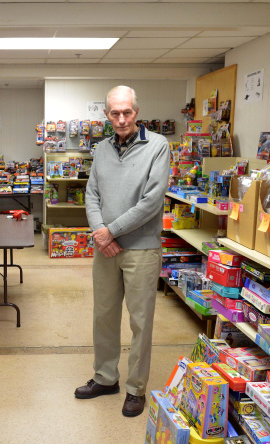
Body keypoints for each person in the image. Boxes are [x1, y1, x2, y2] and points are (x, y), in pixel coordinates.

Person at [75, 85, 170, 417]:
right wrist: (102, 235)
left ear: (137, 111)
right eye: (114, 113)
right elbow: (91, 194)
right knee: (103, 314)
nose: (121, 119)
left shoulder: (158, 146)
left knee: (140, 322)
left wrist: (109, 231)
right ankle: (105, 377)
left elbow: (152, 201)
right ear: (106, 115)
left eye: (127, 112)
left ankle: (136, 388)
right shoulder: (101, 148)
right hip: (106, 249)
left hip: (141, 248)